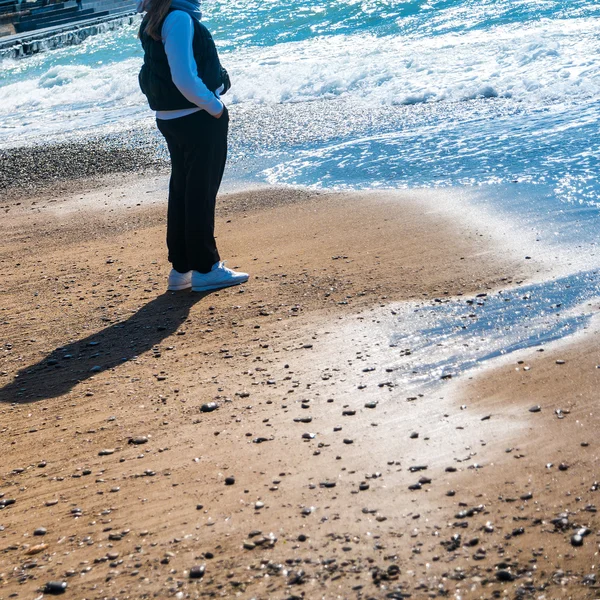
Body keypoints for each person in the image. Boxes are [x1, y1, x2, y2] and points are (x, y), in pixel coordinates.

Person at [137, 0, 248, 292]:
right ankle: (206, 268)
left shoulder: (157, 17)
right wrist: (215, 107)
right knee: (200, 191)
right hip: (196, 117)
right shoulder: (179, 19)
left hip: (171, 116)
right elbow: (183, 76)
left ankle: (182, 268)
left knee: (184, 190)